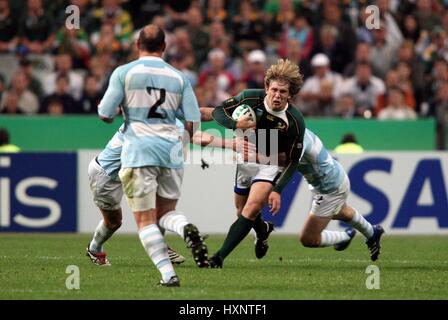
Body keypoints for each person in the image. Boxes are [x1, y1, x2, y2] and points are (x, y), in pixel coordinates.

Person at [96, 24, 206, 287]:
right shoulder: (180, 77)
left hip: (140, 151)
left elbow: (105, 114)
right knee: (166, 212)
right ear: (164, 47)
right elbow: (193, 121)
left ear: (137, 45)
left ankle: (168, 276)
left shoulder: (124, 72)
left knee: (145, 220)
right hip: (172, 150)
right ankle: (185, 227)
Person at [86, 120, 253, 267]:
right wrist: (230, 142)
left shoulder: (163, 117)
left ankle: (161, 247)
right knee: (114, 222)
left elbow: (196, 123)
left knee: (157, 207)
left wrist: (232, 123)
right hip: (106, 175)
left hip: (133, 171)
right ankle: (94, 249)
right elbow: (195, 137)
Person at [208, 59, 307, 268]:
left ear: (291, 94)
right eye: (274, 90)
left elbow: (293, 161)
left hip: (270, 163)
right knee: (240, 210)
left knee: (251, 208)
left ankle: (218, 258)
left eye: (283, 92)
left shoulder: (295, 121)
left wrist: (278, 190)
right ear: (266, 88)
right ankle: (263, 231)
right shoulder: (249, 97)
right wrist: (236, 124)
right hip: (246, 159)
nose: (277, 95)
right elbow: (218, 112)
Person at [267, 129, 384, 262]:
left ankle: (346, 236)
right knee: (341, 212)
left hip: (329, 188)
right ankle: (372, 233)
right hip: (333, 178)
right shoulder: (295, 128)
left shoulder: (297, 138)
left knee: (308, 239)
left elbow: (287, 161)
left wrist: (252, 155)